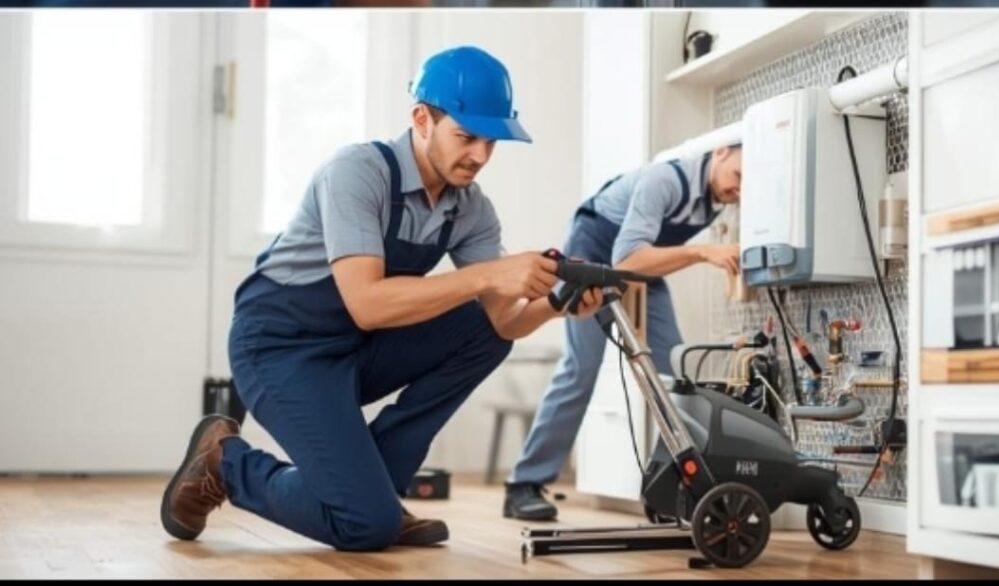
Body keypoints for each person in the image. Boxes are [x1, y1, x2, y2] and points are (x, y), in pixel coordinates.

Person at [160, 45, 602, 551]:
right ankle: (225, 462)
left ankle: (375, 491)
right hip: (279, 348)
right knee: (364, 526)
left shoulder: (471, 209)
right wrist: (490, 276)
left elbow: (503, 321)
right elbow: (367, 303)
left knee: (484, 331)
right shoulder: (356, 172)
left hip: (354, 347)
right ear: (421, 119)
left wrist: (557, 304)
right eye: (467, 136)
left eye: (491, 141)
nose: (480, 156)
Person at [503, 143, 743, 520]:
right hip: (596, 253)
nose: (738, 190)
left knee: (673, 375)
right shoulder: (663, 178)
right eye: (739, 177)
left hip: (639, 268)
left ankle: (679, 482)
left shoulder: (710, 201)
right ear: (722, 153)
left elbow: (639, 260)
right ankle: (523, 484)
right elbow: (627, 257)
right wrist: (703, 253)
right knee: (581, 369)